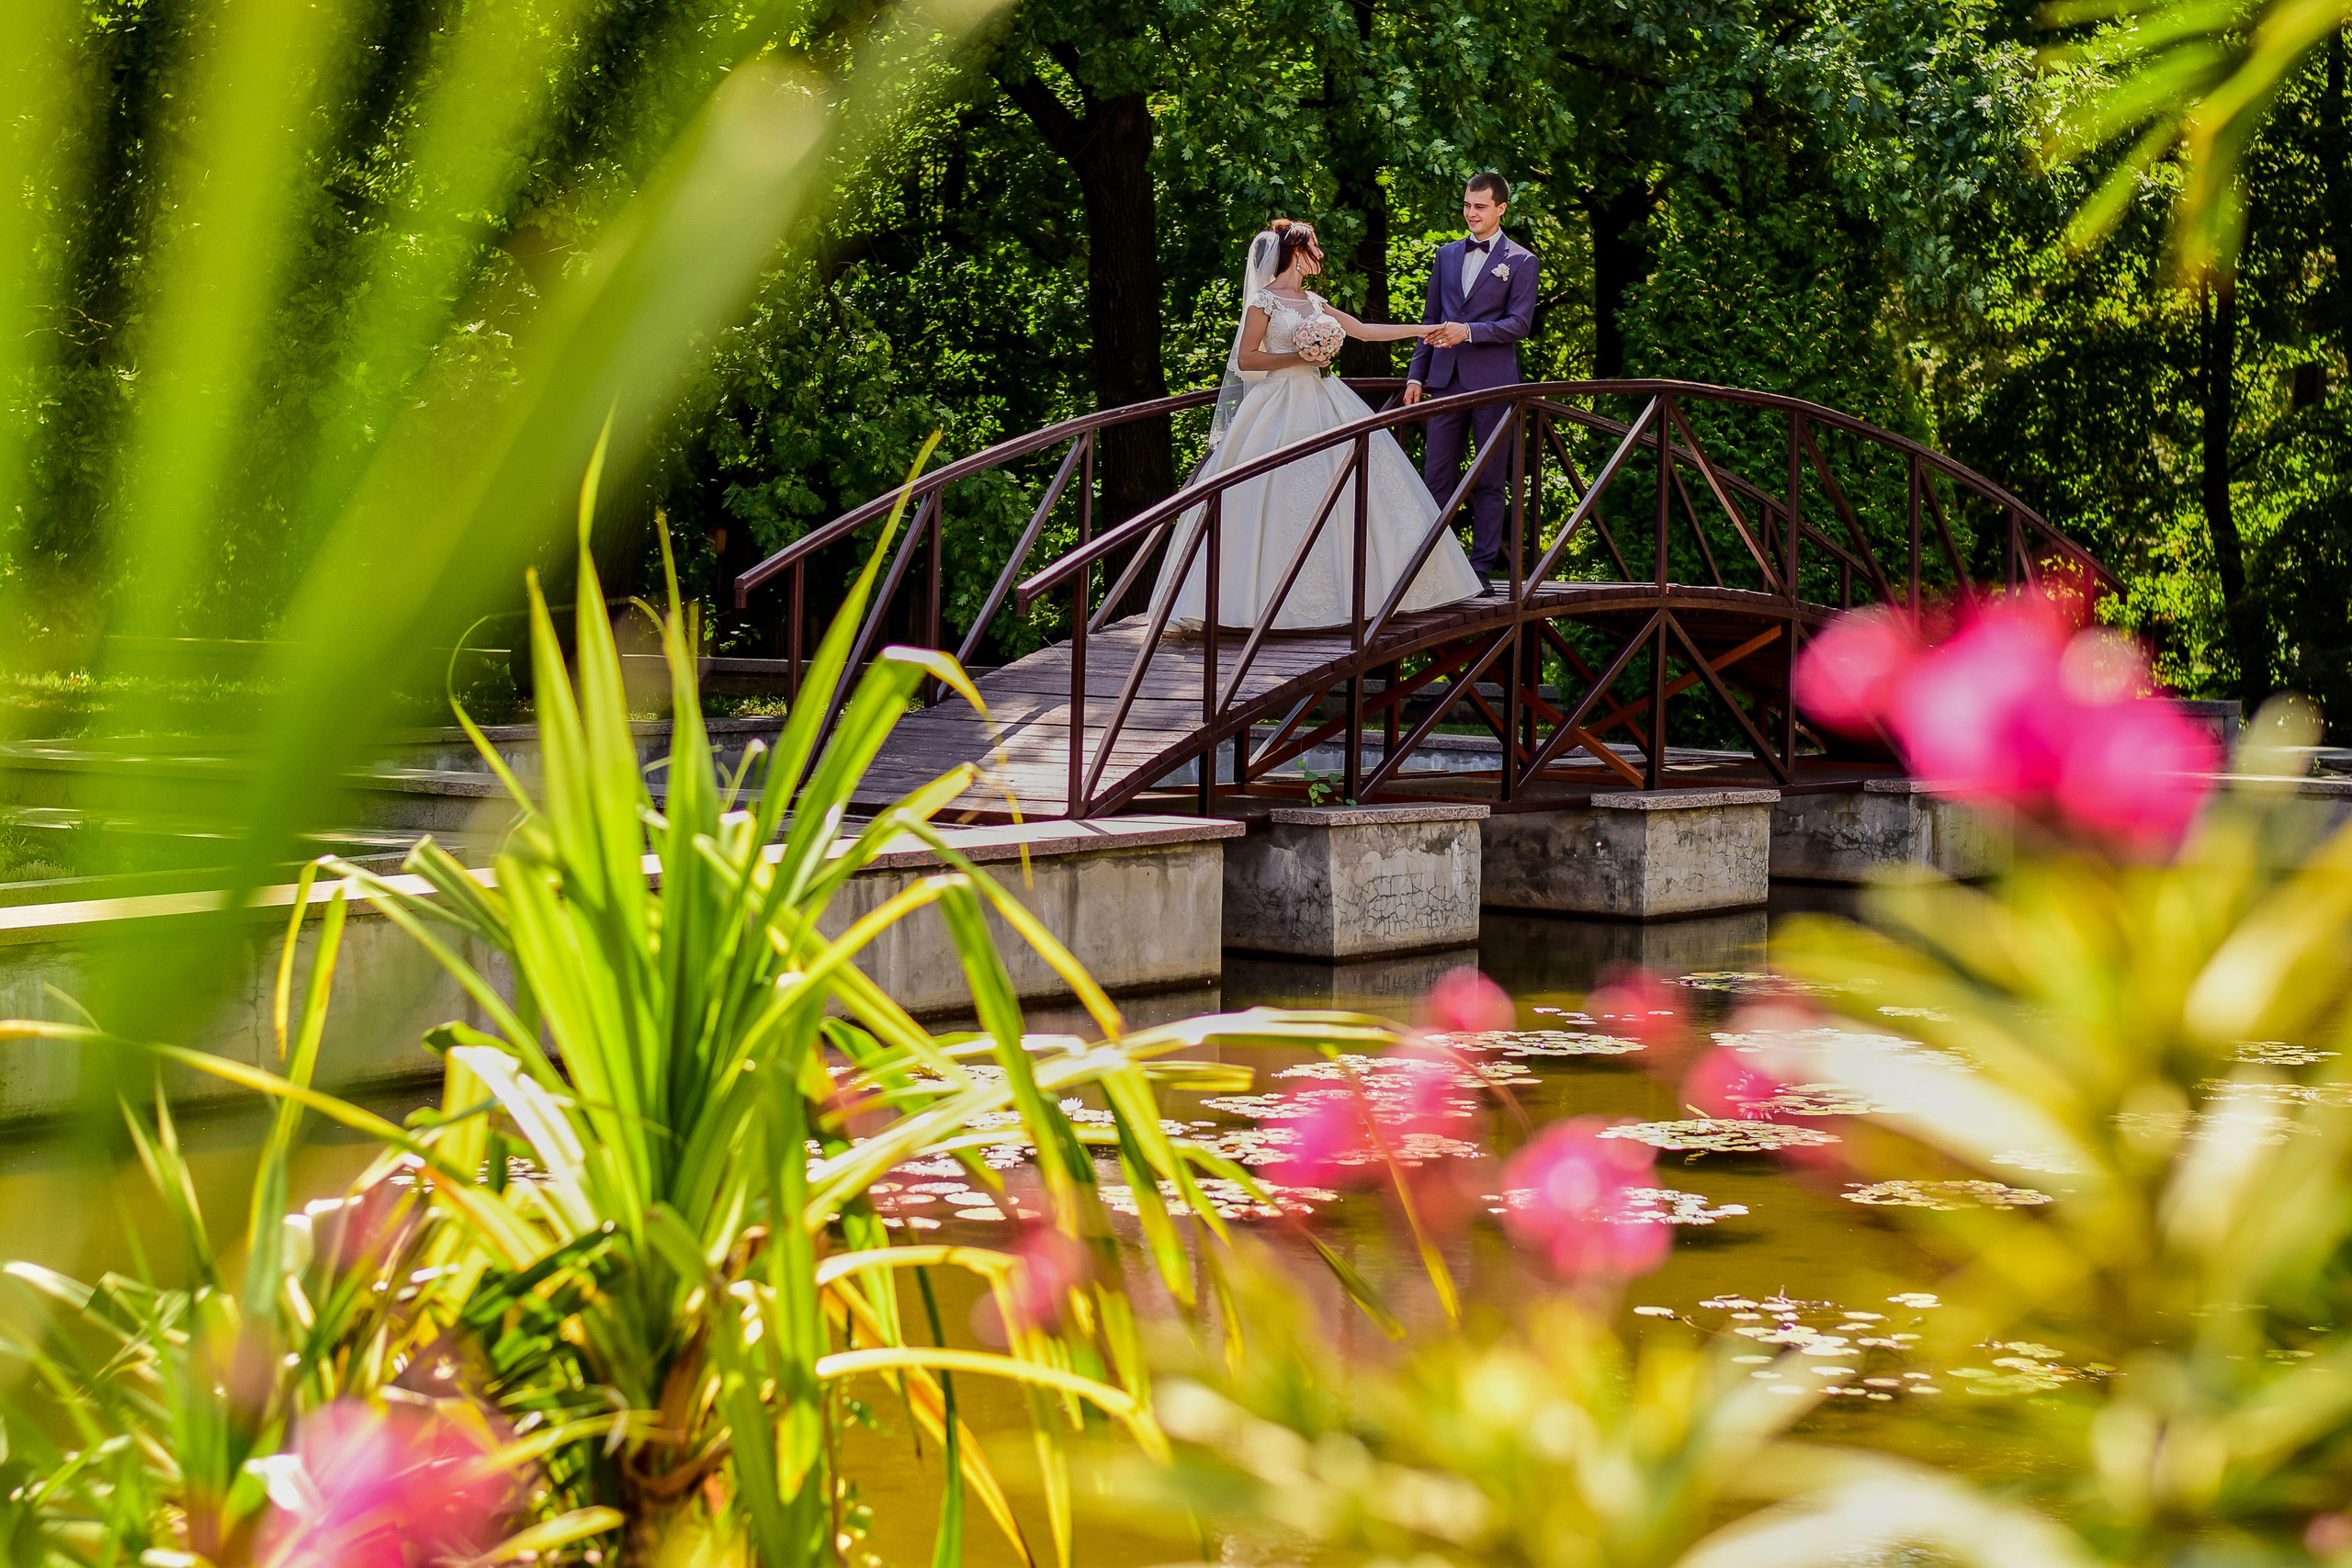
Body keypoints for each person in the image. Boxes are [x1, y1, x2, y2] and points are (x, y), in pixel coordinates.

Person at [1152, 220, 1482, 631]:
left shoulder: (1315, 301)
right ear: (1296, 253)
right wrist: (1300, 356)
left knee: (1354, 486)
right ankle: (1254, 605)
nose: (1321, 255)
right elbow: (1246, 360)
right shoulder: (1264, 302)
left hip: (1326, 400)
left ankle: (1362, 595)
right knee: (1272, 495)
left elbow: (1362, 331)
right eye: (1315, 248)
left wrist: (1423, 330)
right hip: (1276, 406)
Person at [1404, 173, 1540, 595]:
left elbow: (1518, 325)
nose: (1471, 213)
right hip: (1443, 381)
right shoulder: (1445, 256)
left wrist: (1469, 331)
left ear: (1501, 209)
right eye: (1466, 205)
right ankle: (1432, 569)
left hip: (1494, 385)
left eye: (1480, 206)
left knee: (1489, 480)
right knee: (1436, 478)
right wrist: (1415, 374)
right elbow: (1430, 320)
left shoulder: (1521, 261)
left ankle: (1479, 572)